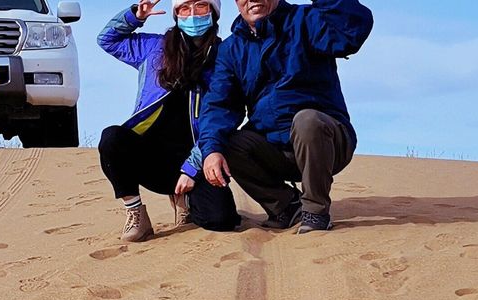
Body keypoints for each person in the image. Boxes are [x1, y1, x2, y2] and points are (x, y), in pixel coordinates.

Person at [198, 0, 373, 233]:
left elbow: (351, 31)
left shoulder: (307, 19)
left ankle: (315, 211)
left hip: (326, 141)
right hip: (274, 148)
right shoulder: (231, 49)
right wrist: (211, 150)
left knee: (306, 121)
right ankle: (286, 206)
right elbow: (219, 104)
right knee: (224, 144)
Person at [98, 1, 241, 242]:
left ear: (214, 12)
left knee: (222, 220)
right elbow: (107, 39)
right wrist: (135, 16)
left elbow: (227, 116)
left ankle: (184, 201)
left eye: (202, 6)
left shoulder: (225, 57)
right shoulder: (155, 47)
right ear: (176, 14)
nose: (193, 15)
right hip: (152, 158)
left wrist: (191, 168)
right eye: (185, 8)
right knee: (112, 138)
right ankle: (135, 212)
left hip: (197, 160)